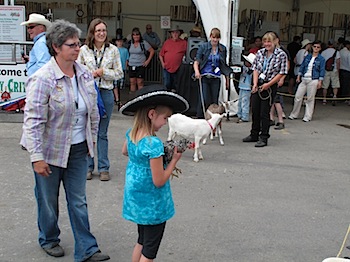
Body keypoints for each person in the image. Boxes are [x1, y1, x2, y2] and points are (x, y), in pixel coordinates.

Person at [21, 19, 110, 262]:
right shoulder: (43, 78)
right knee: (48, 201)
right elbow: (33, 121)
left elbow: (92, 112)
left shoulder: (83, 75)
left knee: (78, 201)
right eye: (72, 44)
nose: (77, 48)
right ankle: (49, 238)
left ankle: (87, 248)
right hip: (49, 151)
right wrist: (36, 158)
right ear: (56, 47)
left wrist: (91, 144)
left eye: (78, 43)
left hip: (78, 149)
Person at [119, 85, 189, 262]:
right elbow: (159, 181)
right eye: (164, 118)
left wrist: (140, 160)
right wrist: (174, 160)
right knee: (149, 252)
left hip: (136, 200)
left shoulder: (132, 134)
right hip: (152, 205)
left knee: (142, 241)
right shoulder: (153, 144)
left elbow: (124, 152)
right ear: (152, 115)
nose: (165, 122)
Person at [78, 18, 123, 181]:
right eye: (98, 31)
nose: (101, 33)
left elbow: (119, 73)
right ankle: (88, 167)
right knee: (88, 130)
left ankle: (104, 168)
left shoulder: (113, 50)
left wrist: (103, 72)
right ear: (92, 32)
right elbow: (77, 72)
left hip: (105, 93)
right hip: (89, 93)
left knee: (102, 133)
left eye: (104, 30)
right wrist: (90, 75)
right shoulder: (83, 50)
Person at [242, 31, 288, 147]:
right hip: (259, 83)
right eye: (265, 41)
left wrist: (269, 84)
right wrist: (255, 83)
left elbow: (281, 72)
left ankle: (264, 137)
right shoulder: (260, 53)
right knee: (255, 110)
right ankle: (254, 134)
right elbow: (256, 68)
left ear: (275, 42)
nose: (267, 44)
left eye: (269, 41)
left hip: (270, 85)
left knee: (264, 112)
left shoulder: (281, 55)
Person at [19, 13, 52, 150]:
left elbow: (44, 64)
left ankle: (30, 141)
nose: (29, 30)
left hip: (37, 84)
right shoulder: (42, 42)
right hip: (39, 83)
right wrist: (30, 61)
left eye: (31, 27)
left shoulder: (40, 43)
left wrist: (35, 79)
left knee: (33, 112)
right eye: (28, 27)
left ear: (41, 28)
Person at [193, 28, 233, 119]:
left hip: (216, 77)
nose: (215, 40)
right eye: (213, 37)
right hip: (204, 76)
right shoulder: (203, 47)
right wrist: (197, 71)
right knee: (204, 98)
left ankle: (213, 119)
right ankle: (200, 117)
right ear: (210, 37)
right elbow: (197, 61)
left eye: (217, 38)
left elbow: (223, 65)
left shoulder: (222, 48)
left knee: (214, 100)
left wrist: (227, 80)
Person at [288, 40, 325, 122]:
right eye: (314, 46)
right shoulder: (308, 56)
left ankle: (308, 116)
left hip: (313, 79)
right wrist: (299, 76)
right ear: (312, 47)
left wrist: (320, 81)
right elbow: (303, 66)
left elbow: (322, 70)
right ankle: (294, 114)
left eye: (318, 47)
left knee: (310, 99)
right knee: (298, 96)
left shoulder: (321, 59)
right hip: (304, 78)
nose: (316, 48)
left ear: (320, 49)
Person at [269, 35, 290, 130]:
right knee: (271, 100)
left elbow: (287, 66)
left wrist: (282, 78)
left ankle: (281, 120)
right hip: (270, 79)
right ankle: (271, 118)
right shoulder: (270, 51)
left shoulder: (283, 52)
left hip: (278, 78)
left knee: (277, 100)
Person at [159, 27, 187, 93]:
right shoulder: (167, 42)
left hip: (178, 68)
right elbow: (160, 54)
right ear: (171, 34)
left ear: (179, 33)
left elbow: (189, 54)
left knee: (176, 85)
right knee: (167, 84)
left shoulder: (184, 43)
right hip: (167, 67)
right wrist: (163, 63)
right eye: (173, 32)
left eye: (176, 32)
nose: (175, 34)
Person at [128, 27, 155, 92]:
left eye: (137, 35)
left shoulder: (143, 43)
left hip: (140, 65)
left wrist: (147, 61)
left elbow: (152, 51)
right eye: (134, 35)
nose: (136, 36)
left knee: (140, 82)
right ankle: (133, 97)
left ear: (140, 35)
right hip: (131, 64)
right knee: (132, 82)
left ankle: (140, 97)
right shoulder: (130, 43)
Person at [321, 39, 341, 106]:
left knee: (325, 85)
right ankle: (334, 97)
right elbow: (338, 62)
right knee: (335, 85)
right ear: (333, 44)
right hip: (334, 70)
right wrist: (338, 71)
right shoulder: (337, 52)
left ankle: (324, 99)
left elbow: (321, 62)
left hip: (326, 70)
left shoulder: (323, 52)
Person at [237, 53, 255, 123]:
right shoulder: (243, 68)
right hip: (241, 86)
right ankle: (239, 114)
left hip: (247, 87)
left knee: (245, 102)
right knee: (240, 102)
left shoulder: (251, 70)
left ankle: (245, 116)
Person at [113, 34, 129, 109]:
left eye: (120, 41)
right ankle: (117, 99)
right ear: (116, 42)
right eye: (118, 41)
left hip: (122, 69)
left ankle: (120, 99)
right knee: (115, 85)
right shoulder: (113, 49)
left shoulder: (125, 50)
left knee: (121, 85)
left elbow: (126, 60)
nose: (119, 42)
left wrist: (126, 67)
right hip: (115, 69)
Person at [339, 40, 350, 105]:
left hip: (340, 69)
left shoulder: (340, 52)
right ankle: (345, 97)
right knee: (346, 85)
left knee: (341, 83)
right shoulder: (348, 53)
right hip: (347, 70)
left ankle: (340, 96)